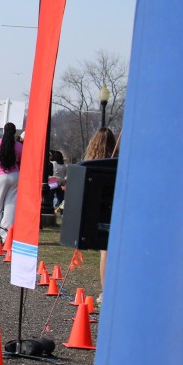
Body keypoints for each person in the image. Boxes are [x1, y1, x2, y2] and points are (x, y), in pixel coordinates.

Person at [83, 127, 117, 303]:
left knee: (106, 251)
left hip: (96, 212)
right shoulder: (116, 162)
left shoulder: (91, 162)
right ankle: (108, 291)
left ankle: (106, 290)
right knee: (109, 251)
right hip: (113, 210)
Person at [0, 122, 23, 243]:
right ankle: (6, 235)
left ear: (4, 131)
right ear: (14, 132)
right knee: (10, 206)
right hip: (14, 175)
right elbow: (21, 160)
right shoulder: (18, 145)